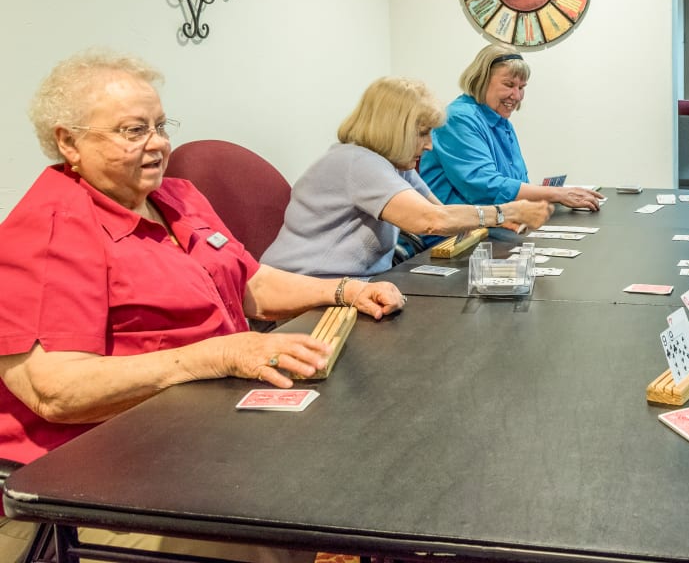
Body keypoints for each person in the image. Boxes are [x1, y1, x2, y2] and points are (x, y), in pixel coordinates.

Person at [0, 51, 404, 563]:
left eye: (160, 125)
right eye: (133, 130)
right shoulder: (52, 229)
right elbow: (55, 391)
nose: (159, 143)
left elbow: (248, 282)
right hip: (104, 474)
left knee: (359, 450)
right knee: (273, 520)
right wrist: (212, 357)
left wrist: (341, 290)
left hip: (207, 430)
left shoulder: (177, 196)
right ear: (68, 141)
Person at [261, 77, 554, 277]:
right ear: (395, 129)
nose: (429, 145)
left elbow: (439, 212)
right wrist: (507, 211)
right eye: (423, 133)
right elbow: (430, 222)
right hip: (306, 297)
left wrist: (500, 219)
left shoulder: (391, 164)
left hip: (350, 289)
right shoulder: (356, 162)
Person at [419, 44, 603, 215]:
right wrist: (556, 194)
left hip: (496, 222)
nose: (516, 96)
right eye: (508, 85)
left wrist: (552, 194)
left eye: (521, 87)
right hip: (456, 235)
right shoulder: (458, 118)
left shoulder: (500, 120)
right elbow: (484, 186)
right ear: (481, 80)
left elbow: (518, 182)